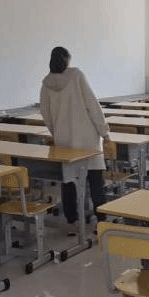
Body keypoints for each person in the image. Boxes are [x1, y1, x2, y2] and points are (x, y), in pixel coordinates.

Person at [39, 46, 111, 225]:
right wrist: (105, 132)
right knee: (95, 179)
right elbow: (93, 106)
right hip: (86, 138)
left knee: (69, 179)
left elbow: (45, 114)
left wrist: (56, 132)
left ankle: (71, 216)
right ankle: (101, 217)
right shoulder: (77, 75)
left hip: (64, 140)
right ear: (67, 60)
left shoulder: (46, 83)